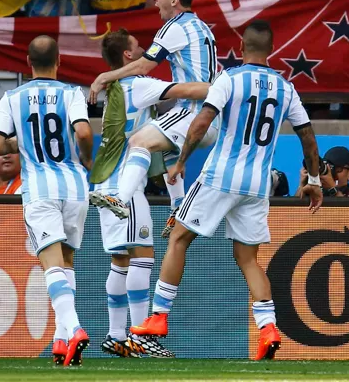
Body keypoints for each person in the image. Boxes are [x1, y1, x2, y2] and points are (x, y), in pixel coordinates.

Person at [130, 20, 324, 361]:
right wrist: (314, 180)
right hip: (257, 184)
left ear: (241, 45)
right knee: (248, 258)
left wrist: (181, 161)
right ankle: (268, 328)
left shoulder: (229, 78)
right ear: (271, 48)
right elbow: (307, 136)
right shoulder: (285, 87)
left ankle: (158, 318)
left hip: (220, 176)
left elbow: (202, 122)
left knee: (179, 237)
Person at [90, 29, 211, 359]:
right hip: (123, 187)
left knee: (120, 260)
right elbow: (187, 89)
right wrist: (225, 88)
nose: (144, 51)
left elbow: (164, 143)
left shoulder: (116, 88)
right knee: (143, 258)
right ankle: (141, 335)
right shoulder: (139, 85)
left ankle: (116, 336)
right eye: (137, 47)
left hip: (104, 181)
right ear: (128, 57)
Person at [0, 35, 94, 367]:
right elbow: (84, 133)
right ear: (59, 61)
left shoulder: (12, 98)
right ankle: (61, 340)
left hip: (40, 189)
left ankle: (74, 328)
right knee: (67, 262)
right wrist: (87, 160)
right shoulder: (72, 93)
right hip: (75, 186)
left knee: (50, 264)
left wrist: (19, 143)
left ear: (28, 63)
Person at [88, 0, 217, 222]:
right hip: (209, 116)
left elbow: (144, 66)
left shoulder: (175, 26)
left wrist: (106, 76)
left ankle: (121, 200)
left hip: (194, 111)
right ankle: (178, 207)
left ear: (175, 0)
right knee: (164, 146)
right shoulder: (202, 27)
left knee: (139, 140)